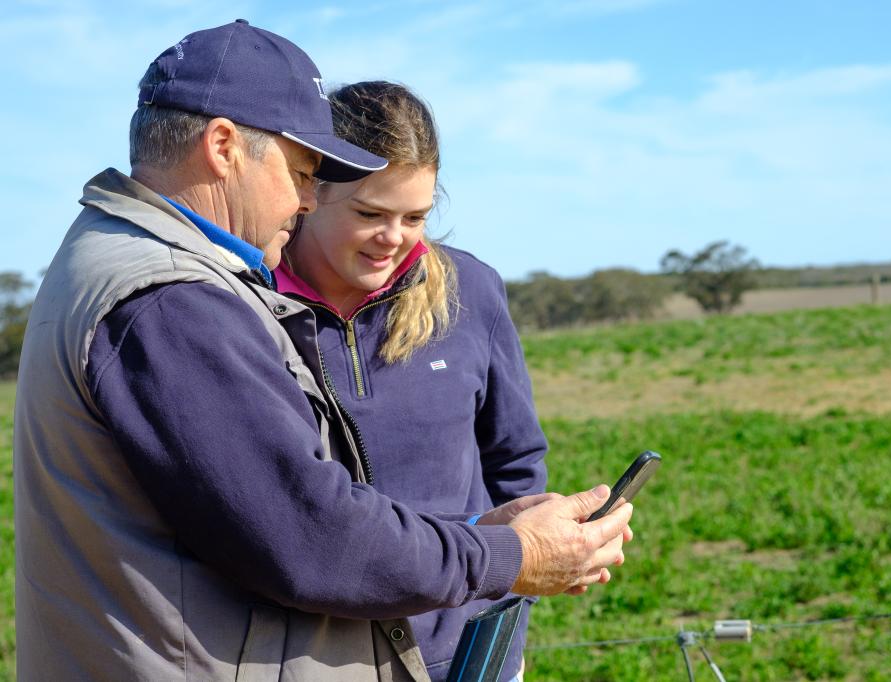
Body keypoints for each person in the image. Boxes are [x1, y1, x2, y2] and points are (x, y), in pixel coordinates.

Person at [13, 20, 633, 682]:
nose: (306, 199)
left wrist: (489, 531)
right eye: (303, 171)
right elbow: (313, 537)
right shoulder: (174, 300)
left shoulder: (115, 259)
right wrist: (510, 556)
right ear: (223, 146)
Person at [277, 81, 545, 681]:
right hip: (320, 660)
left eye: (415, 217)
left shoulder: (474, 291)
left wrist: (508, 623)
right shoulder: (250, 306)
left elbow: (517, 465)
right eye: (370, 213)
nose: (394, 238)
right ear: (309, 194)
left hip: (472, 654)